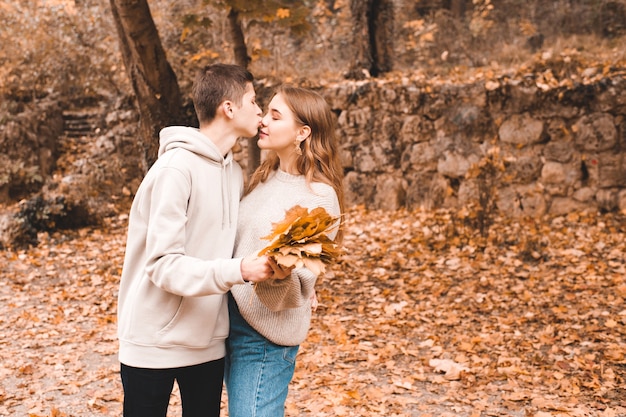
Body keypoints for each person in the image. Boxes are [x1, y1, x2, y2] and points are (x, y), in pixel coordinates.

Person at [117, 63, 274, 417]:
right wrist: (240, 270)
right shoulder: (176, 170)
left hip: (207, 342)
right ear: (229, 108)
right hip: (153, 340)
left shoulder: (233, 173)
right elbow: (163, 266)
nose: (260, 109)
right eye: (253, 100)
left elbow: (238, 246)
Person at [225, 84, 345, 417]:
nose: (263, 119)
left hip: (263, 336)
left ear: (303, 132)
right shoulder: (262, 177)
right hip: (224, 319)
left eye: (276, 116)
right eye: (265, 111)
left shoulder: (319, 197)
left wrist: (278, 277)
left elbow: (299, 286)